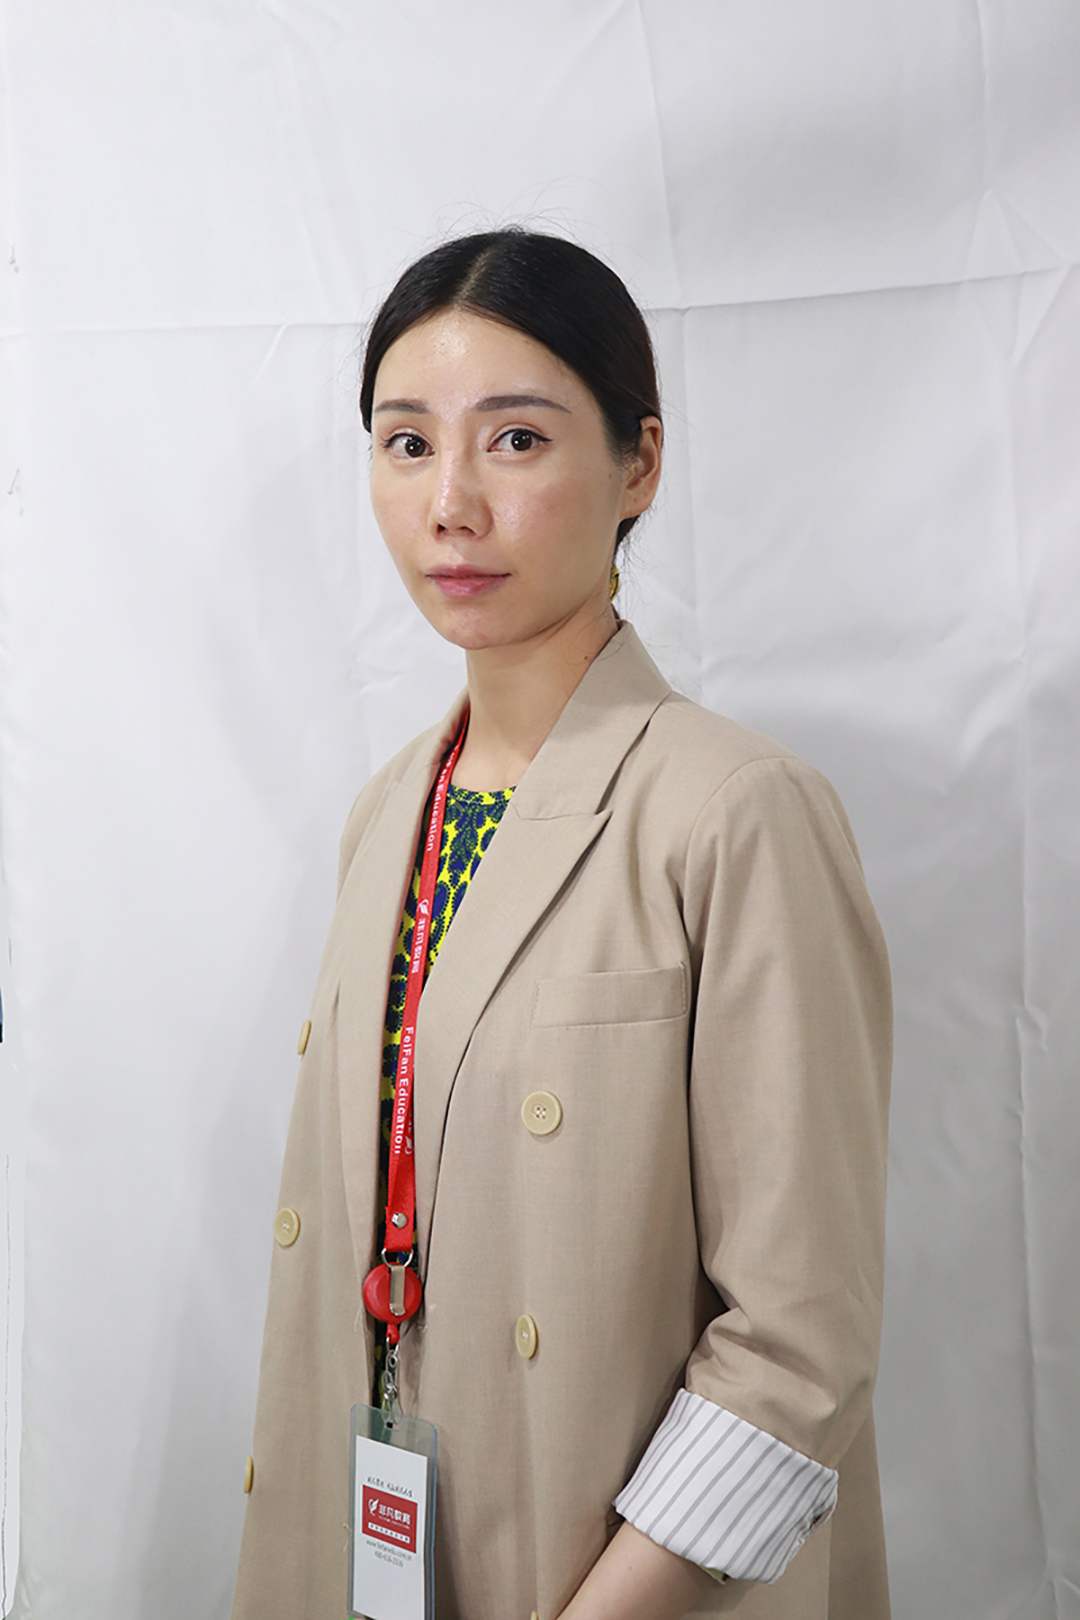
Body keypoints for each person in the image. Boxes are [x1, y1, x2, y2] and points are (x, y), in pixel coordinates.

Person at [232, 229, 892, 1620]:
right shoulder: (387, 813)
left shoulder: (735, 812)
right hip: (387, 1548)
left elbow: (798, 1339)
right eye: (407, 444)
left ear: (639, 464)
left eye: (517, 440)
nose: (451, 505)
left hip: (616, 1581)